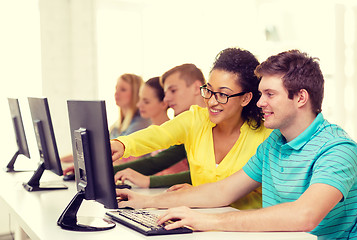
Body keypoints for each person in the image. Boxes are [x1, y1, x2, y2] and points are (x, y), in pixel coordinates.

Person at [115, 50, 357, 239]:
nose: (260, 102)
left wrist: (210, 221)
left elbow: (305, 215)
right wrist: (145, 202)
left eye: (270, 94)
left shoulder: (338, 149)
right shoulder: (274, 143)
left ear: (301, 97)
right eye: (261, 94)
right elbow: (223, 191)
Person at [111, 48, 272, 210]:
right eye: (209, 90)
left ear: (245, 98)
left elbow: (224, 192)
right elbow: (159, 134)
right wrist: (122, 145)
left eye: (223, 95)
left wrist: (195, 193)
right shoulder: (195, 120)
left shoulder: (266, 136)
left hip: (245, 230)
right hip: (201, 224)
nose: (212, 101)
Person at [112, 63, 206, 188]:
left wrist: (149, 181)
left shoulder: (213, 123)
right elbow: (158, 158)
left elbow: (202, 176)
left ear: (196, 87)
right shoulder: (189, 122)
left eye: (173, 90)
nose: (166, 99)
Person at [62, 73, 151, 173]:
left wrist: (86, 167)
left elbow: (120, 160)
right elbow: (98, 152)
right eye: (116, 88)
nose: (116, 93)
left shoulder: (140, 124)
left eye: (123, 89)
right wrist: (62, 160)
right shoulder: (117, 125)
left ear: (135, 94)